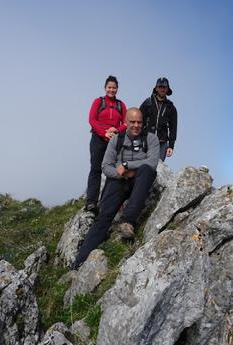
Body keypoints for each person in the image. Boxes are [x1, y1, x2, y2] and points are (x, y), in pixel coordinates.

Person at [73, 107, 160, 269]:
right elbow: (105, 166)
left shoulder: (151, 139)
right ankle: (79, 261)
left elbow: (152, 162)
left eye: (139, 122)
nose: (136, 125)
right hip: (118, 180)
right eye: (132, 122)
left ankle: (127, 222)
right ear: (125, 122)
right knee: (104, 217)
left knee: (147, 171)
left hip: (139, 180)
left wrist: (127, 165)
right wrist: (122, 174)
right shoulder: (116, 140)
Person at [85, 76, 127, 212]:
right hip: (98, 138)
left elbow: (126, 122)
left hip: (114, 141)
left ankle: (110, 201)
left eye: (114, 88)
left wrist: (116, 130)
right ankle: (91, 202)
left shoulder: (121, 105)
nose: (111, 90)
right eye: (109, 87)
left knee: (113, 171)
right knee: (96, 169)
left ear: (117, 89)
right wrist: (104, 133)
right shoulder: (98, 101)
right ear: (105, 88)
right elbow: (92, 120)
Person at [139, 77, 178, 161]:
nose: (162, 89)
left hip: (162, 143)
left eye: (164, 87)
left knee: (158, 169)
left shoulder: (171, 108)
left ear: (167, 89)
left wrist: (171, 146)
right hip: (146, 141)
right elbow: (138, 121)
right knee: (142, 166)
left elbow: (173, 128)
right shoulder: (147, 103)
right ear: (156, 88)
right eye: (160, 87)